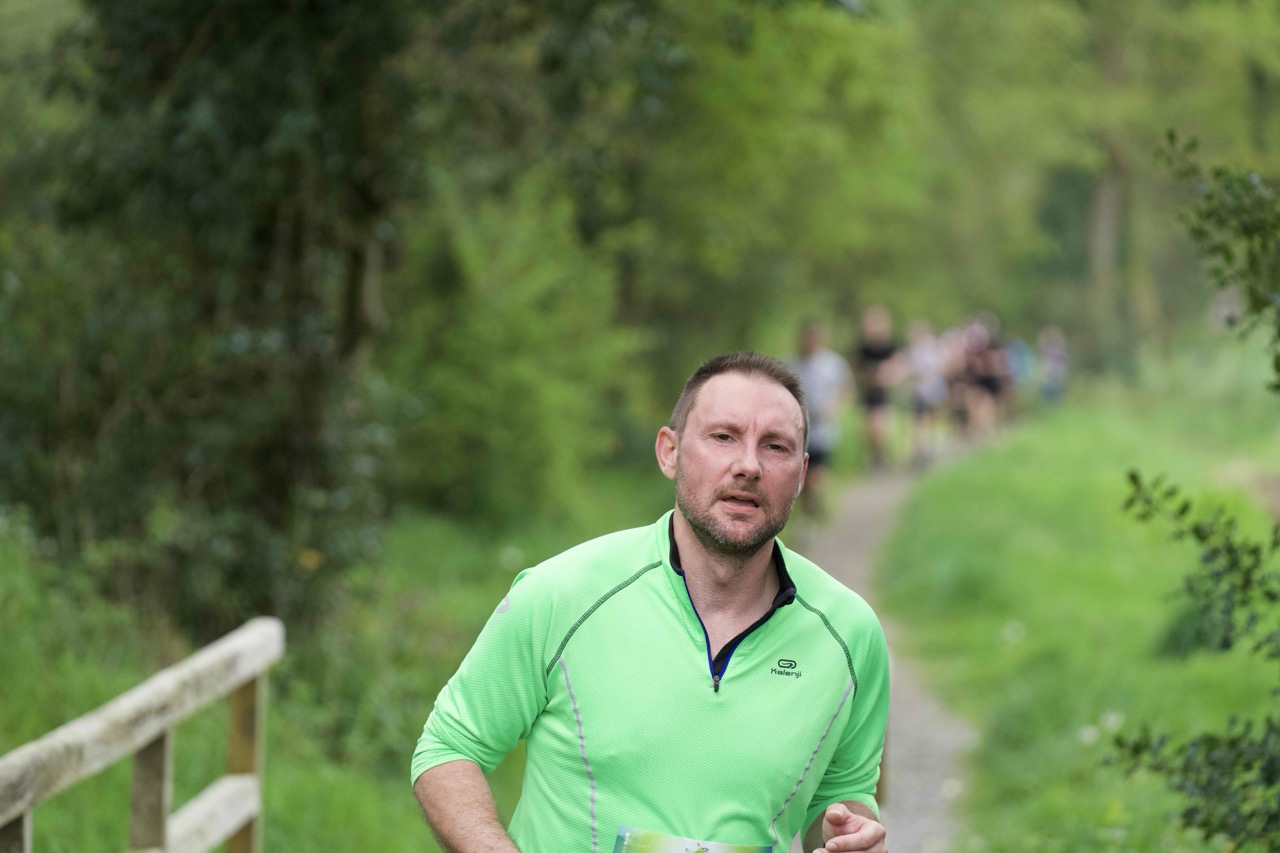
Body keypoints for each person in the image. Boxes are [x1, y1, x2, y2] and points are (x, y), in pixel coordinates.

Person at [411, 352, 891, 853]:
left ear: (802, 472)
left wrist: (847, 835)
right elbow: (448, 748)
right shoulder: (561, 595)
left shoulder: (849, 634)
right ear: (670, 452)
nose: (748, 465)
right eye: (723, 437)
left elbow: (840, 799)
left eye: (775, 446)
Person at [789, 321, 854, 522]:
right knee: (801, 477)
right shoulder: (792, 364)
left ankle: (816, 507)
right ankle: (808, 515)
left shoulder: (833, 364)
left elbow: (846, 389)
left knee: (817, 474)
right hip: (797, 429)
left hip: (823, 430)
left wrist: (835, 408)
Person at [853, 306, 900, 469]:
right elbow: (858, 370)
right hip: (868, 393)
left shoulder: (889, 347)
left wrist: (887, 376)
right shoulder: (864, 349)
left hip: (883, 394)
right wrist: (870, 376)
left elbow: (897, 367)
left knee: (879, 427)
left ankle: (881, 456)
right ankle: (874, 457)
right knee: (868, 429)